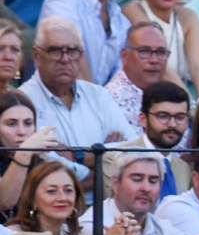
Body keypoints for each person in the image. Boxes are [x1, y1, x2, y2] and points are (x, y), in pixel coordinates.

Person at [24, 16, 134, 195]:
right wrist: (106, 159)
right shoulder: (23, 101)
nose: (65, 59)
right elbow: (45, 177)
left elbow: (133, 152)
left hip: (107, 205)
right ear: (37, 55)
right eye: (55, 50)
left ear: (81, 55)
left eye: (72, 51)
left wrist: (75, 156)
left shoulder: (98, 95)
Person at [104, 81, 195, 199]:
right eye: (163, 116)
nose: (172, 124)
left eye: (180, 117)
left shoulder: (183, 168)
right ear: (143, 119)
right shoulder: (116, 158)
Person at [122, 0, 199, 97]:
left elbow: (198, 67)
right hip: (145, 95)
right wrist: (189, 102)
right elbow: (162, 66)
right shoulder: (133, 10)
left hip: (177, 96)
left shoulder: (188, 16)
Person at [38, 0, 128, 86]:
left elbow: (120, 79)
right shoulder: (61, 0)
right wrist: (94, 96)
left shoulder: (123, 22)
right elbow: (70, 60)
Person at [7, 158, 92, 235]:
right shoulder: (13, 234)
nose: (62, 198)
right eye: (51, 191)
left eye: (68, 190)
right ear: (32, 198)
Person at [106, 23, 174, 143]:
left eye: (161, 52)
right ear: (124, 56)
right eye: (144, 51)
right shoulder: (110, 101)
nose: (154, 60)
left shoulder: (170, 95)